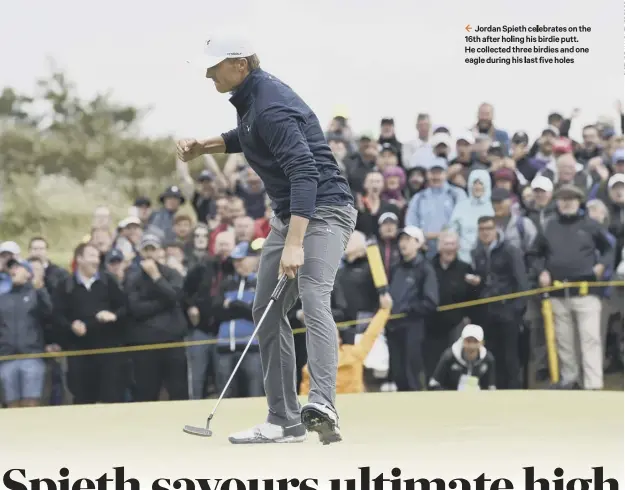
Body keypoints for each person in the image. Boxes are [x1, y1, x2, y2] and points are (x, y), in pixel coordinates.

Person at [177, 32, 357, 445]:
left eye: (215, 66)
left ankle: (324, 403)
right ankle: (284, 421)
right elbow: (247, 136)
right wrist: (203, 145)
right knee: (265, 309)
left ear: (240, 64)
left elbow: (306, 174)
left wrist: (294, 243)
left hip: (326, 209)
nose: (208, 74)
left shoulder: (270, 104)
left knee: (313, 293)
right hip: (288, 213)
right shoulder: (252, 99)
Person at [428, 324, 496, 391]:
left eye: (475, 341)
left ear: (482, 343)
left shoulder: (488, 359)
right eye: (468, 341)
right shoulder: (449, 356)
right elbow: (434, 383)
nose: (471, 345)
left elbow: (491, 387)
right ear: (462, 341)